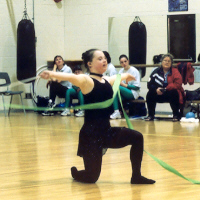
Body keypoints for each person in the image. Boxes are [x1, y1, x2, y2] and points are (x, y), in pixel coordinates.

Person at [40, 49, 155, 184]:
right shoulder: (86, 80)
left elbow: (115, 78)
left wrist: (126, 76)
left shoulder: (105, 79)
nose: (104, 60)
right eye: (100, 58)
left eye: (105, 58)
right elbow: (71, 77)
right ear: (89, 63)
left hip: (107, 132)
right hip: (91, 136)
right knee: (92, 178)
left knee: (137, 137)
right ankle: (77, 173)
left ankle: (136, 176)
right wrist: (51, 73)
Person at [145, 53, 184, 122]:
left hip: (169, 93)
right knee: (150, 93)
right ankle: (151, 115)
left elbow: (178, 84)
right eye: (165, 60)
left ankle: (176, 115)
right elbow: (149, 84)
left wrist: (166, 89)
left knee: (174, 92)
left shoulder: (175, 71)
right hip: (158, 93)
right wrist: (155, 89)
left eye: (169, 61)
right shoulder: (156, 71)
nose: (167, 62)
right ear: (161, 62)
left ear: (171, 63)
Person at [110, 54, 141, 119]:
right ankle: (116, 112)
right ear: (120, 63)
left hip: (133, 93)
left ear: (128, 61)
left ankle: (117, 112)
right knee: (114, 94)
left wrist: (124, 85)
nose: (124, 63)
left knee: (116, 87)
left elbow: (137, 87)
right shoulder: (121, 71)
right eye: (122, 62)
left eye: (125, 61)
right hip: (124, 92)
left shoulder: (134, 71)